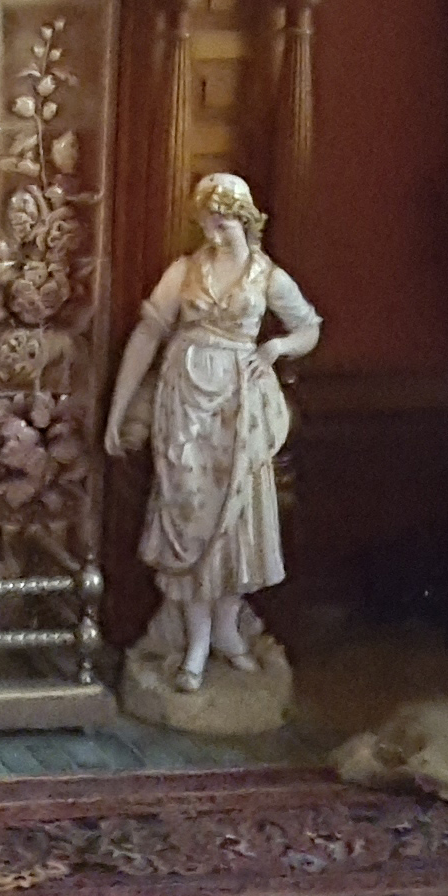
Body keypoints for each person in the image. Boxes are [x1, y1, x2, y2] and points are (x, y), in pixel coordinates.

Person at [105, 170, 320, 692]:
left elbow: (309, 327)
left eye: (224, 225)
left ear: (245, 220)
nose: (215, 235)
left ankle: (227, 629)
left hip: (240, 406)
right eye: (208, 225)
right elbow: (148, 334)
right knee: (189, 513)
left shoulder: (267, 277)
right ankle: (195, 639)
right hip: (185, 405)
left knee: (237, 518)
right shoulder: (183, 272)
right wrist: (119, 408)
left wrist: (274, 349)